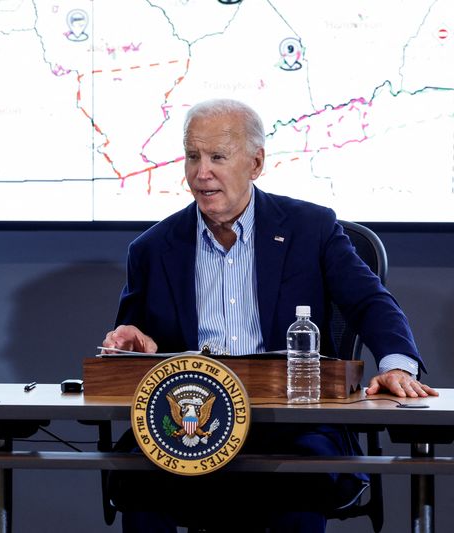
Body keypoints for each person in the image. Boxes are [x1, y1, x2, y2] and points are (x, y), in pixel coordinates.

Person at [101, 98, 436, 533]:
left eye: (218, 157)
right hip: (190, 422)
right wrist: (130, 349)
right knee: (138, 477)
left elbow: (371, 303)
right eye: (192, 157)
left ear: (255, 163)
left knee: (297, 477)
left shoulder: (310, 229)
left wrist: (396, 365)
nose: (202, 173)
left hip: (291, 421)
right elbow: (131, 355)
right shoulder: (152, 248)